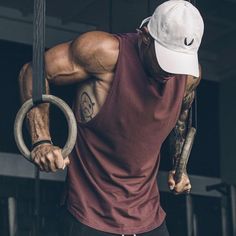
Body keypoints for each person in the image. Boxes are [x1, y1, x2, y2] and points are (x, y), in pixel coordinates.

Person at [18, 0, 204, 235]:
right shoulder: (104, 53)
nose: (170, 72)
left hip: (148, 215)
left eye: (178, 63)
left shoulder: (187, 76)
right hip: (89, 213)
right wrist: (41, 140)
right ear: (145, 37)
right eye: (165, 59)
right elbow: (34, 71)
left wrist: (180, 167)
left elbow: (181, 115)